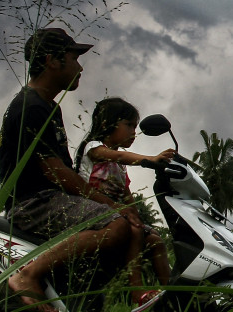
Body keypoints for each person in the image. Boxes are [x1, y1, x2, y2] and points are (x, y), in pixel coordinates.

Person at [0, 28, 145, 311]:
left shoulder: (47, 106)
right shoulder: (30, 106)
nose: (80, 66)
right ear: (52, 60)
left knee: (139, 233)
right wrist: (110, 204)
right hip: (34, 202)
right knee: (118, 225)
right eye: (74, 57)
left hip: (51, 200)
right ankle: (28, 274)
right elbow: (55, 172)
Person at [74, 97, 173, 294]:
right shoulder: (93, 148)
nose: (133, 132)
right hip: (89, 210)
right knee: (134, 232)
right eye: (128, 125)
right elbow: (119, 156)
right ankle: (138, 292)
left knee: (155, 241)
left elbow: (126, 194)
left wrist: (138, 217)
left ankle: (172, 293)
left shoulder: (119, 166)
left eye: (135, 127)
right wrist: (150, 159)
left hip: (115, 214)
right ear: (108, 123)